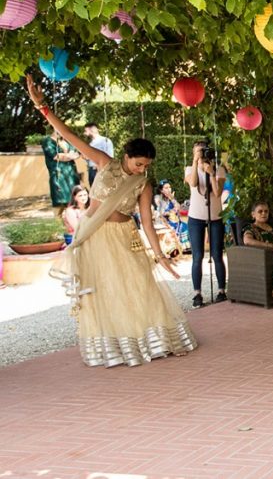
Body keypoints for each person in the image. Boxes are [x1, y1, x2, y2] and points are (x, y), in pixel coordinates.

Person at [27, 74, 196, 367]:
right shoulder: (104, 162)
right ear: (126, 156)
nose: (141, 169)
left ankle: (154, 340)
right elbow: (70, 137)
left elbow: (145, 219)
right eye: (138, 163)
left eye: (146, 166)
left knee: (138, 283)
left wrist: (159, 256)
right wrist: (44, 108)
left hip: (123, 234)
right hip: (94, 234)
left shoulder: (143, 184)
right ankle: (113, 347)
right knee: (103, 289)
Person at [184, 140, 227, 307]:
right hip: (195, 217)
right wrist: (196, 163)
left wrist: (211, 173)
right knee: (197, 256)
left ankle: (221, 290)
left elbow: (217, 193)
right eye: (197, 152)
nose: (201, 155)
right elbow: (194, 183)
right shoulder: (189, 169)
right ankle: (197, 293)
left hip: (215, 216)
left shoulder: (219, 170)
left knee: (217, 255)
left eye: (203, 152)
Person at [42, 128, 80, 218]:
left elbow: (76, 153)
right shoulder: (48, 141)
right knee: (59, 199)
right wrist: (70, 156)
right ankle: (57, 223)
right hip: (59, 174)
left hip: (71, 174)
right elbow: (56, 156)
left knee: (74, 198)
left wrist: (68, 156)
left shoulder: (67, 141)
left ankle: (72, 222)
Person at [152, 179, 190, 255]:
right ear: (161, 190)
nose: (169, 189)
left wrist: (172, 198)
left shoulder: (171, 197)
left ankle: (184, 247)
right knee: (175, 227)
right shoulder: (158, 198)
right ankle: (172, 249)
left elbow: (178, 208)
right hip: (164, 221)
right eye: (166, 188)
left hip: (174, 220)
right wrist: (171, 211)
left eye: (169, 187)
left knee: (184, 226)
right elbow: (161, 212)